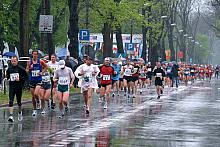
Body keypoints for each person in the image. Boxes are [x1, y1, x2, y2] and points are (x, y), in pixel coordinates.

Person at [26, 50, 48, 117]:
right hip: (32, 80)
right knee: (33, 96)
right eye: (33, 54)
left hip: (38, 80)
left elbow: (46, 67)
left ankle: (38, 101)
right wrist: (29, 68)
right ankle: (34, 109)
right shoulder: (29, 61)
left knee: (36, 93)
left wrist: (42, 72)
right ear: (32, 55)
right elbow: (26, 70)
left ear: (37, 55)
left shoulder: (40, 61)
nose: (34, 56)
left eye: (36, 54)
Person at [6, 56, 27, 122]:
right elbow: (7, 76)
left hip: (19, 87)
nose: (13, 62)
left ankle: (20, 112)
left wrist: (20, 79)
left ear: (17, 61)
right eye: (12, 61)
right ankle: (11, 115)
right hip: (12, 86)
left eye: (14, 61)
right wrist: (7, 78)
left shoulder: (21, 69)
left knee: (19, 102)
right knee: (11, 100)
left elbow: (26, 77)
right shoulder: (9, 69)